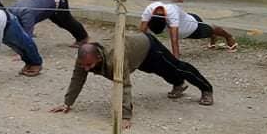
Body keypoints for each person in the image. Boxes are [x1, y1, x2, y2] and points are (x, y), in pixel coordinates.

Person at [51, 33, 215, 125]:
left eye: (89, 65)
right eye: (83, 65)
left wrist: (125, 116)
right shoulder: (84, 58)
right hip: (135, 56)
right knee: (158, 70)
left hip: (147, 47)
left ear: (99, 58)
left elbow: (124, 86)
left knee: (175, 67)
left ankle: (206, 89)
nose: (86, 68)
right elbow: (77, 79)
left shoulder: (116, 59)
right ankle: (178, 84)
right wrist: (67, 103)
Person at [140, 1, 237, 57]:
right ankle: (213, 38)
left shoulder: (171, 13)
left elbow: (174, 39)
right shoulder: (149, 10)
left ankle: (229, 36)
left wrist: (175, 59)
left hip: (193, 27)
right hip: (185, 20)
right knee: (210, 32)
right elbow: (142, 32)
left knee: (211, 29)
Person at [7, 0, 89, 45]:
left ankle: (83, 38)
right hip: (44, 2)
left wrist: (23, 52)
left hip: (58, 2)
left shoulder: (26, 14)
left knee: (66, 22)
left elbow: (28, 34)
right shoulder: (11, 10)